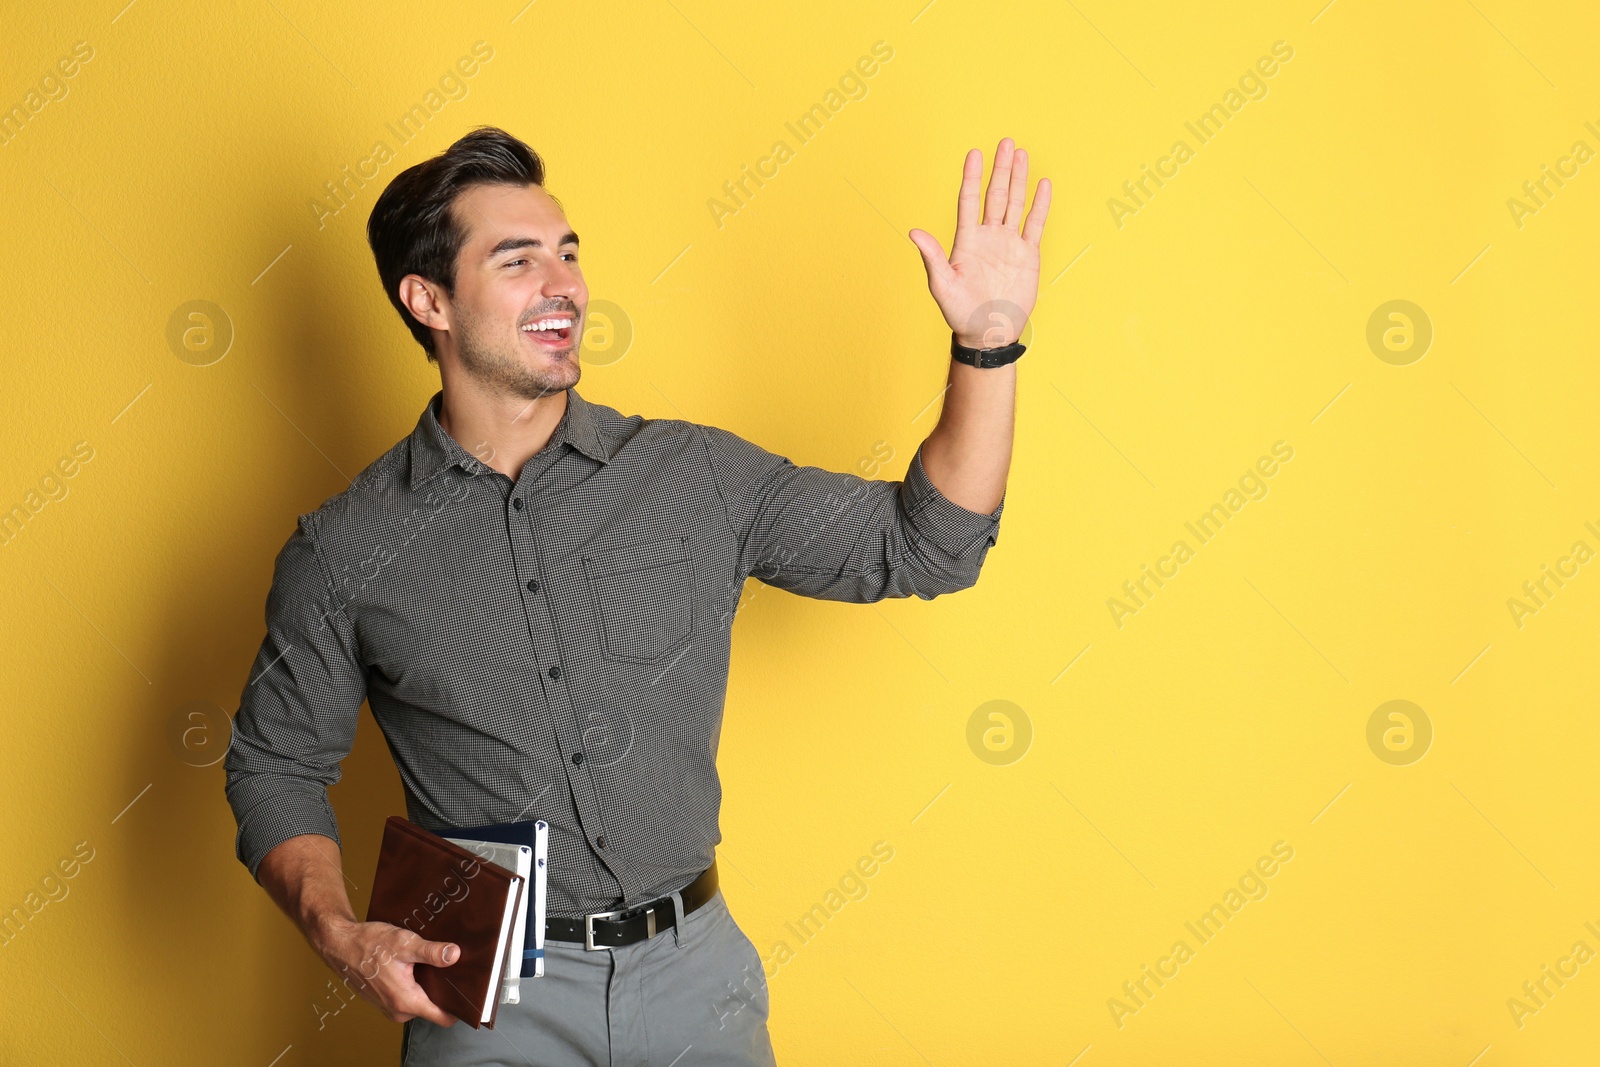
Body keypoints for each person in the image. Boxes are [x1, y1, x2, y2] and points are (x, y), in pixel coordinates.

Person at [223, 125, 1050, 1066]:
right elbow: (274, 765)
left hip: (699, 980)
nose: (564, 282)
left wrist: (987, 343)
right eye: (518, 258)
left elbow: (928, 544)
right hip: (485, 997)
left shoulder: (691, 474)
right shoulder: (345, 549)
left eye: (569, 253)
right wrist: (342, 934)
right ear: (429, 300)